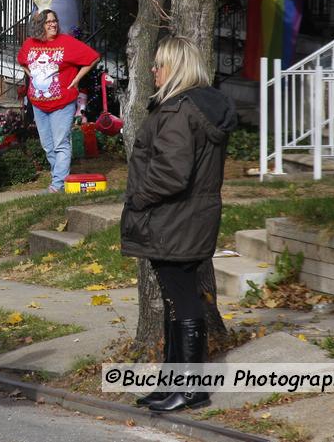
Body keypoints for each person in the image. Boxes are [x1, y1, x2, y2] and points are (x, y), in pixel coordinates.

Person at [120, 36, 237, 413]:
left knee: (183, 300)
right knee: (177, 300)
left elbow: (171, 173)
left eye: (159, 65)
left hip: (173, 219)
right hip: (189, 217)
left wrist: (138, 197)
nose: (153, 71)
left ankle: (190, 388)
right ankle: (174, 384)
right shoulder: (198, 108)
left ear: (176, 69)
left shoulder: (178, 112)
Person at [18, 9, 100, 192]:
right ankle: (59, 180)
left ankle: (57, 184)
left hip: (62, 103)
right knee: (48, 146)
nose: (53, 24)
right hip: (38, 104)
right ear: (40, 25)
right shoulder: (30, 44)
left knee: (60, 143)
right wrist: (33, 77)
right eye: (48, 22)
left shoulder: (66, 43)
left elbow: (92, 58)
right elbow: (21, 60)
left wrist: (77, 79)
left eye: (54, 21)